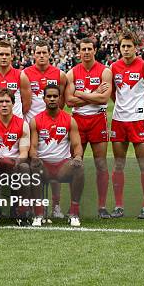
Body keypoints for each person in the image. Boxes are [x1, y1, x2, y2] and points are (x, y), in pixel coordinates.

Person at [109, 30, 144, 219]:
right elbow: (113, 94)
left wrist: (141, 110)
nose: (126, 49)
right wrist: (122, 108)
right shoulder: (113, 67)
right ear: (119, 48)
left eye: (129, 46)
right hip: (119, 120)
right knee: (118, 165)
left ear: (135, 48)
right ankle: (119, 206)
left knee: (143, 164)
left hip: (138, 121)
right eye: (123, 46)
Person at [65, 37, 113, 219]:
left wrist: (80, 93)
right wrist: (93, 94)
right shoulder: (71, 73)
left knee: (101, 164)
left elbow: (104, 99)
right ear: (79, 52)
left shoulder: (105, 71)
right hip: (78, 121)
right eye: (83, 49)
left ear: (94, 50)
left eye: (89, 49)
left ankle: (102, 207)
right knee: (75, 164)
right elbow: (69, 101)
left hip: (98, 120)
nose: (86, 52)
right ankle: (74, 207)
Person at [23, 39, 69, 218]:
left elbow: (62, 101)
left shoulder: (60, 75)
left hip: (51, 125)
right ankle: (33, 206)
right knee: (31, 167)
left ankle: (56, 205)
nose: (41, 56)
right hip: (31, 125)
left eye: (44, 52)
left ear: (50, 54)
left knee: (55, 165)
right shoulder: (25, 74)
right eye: (38, 52)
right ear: (33, 55)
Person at [29, 84, 84, 227]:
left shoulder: (69, 119)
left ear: (60, 98)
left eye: (55, 96)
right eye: (49, 96)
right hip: (44, 165)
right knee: (32, 167)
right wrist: (34, 157)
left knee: (79, 167)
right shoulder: (36, 120)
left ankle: (74, 213)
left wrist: (77, 157)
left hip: (62, 166)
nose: (52, 99)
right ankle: (38, 214)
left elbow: (77, 145)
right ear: (44, 99)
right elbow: (33, 146)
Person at [0, 89, 31, 226]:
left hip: (15, 163)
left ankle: (21, 213)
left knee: (25, 168)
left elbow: (24, 153)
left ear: (14, 104)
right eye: (1, 102)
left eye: (7, 102)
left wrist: (15, 162)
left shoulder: (23, 125)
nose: (4, 105)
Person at [0, 40, 32, 121]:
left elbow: (27, 104)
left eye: (7, 54)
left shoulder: (21, 76)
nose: (4, 57)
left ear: (12, 56)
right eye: (1, 54)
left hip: (16, 125)